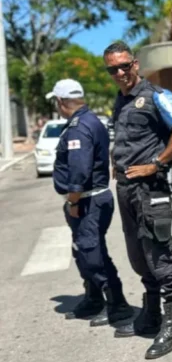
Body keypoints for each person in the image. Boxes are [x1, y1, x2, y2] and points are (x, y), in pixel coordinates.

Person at [104, 41, 172, 359]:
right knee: (138, 256)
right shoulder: (121, 101)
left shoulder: (158, 96)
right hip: (127, 192)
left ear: (135, 64)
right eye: (113, 69)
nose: (119, 72)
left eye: (124, 66)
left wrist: (156, 163)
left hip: (150, 192)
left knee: (160, 257)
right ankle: (151, 316)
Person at [48, 78, 132, 326]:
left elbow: (79, 173)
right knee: (84, 252)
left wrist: (72, 202)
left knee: (93, 254)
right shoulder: (89, 120)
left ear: (61, 101)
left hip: (87, 201)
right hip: (90, 199)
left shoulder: (79, 127)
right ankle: (94, 298)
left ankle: (118, 305)